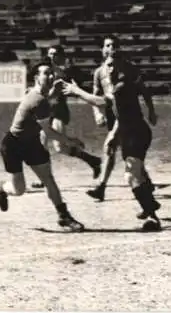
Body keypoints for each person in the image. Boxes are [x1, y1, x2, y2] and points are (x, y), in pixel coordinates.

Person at [62, 54, 161, 232]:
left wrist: (76, 91)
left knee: (131, 175)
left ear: (121, 66)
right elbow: (120, 115)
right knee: (137, 173)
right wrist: (114, 134)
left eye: (114, 66)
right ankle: (150, 203)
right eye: (108, 66)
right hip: (129, 133)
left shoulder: (121, 86)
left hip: (137, 134)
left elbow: (103, 102)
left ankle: (152, 215)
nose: (110, 69)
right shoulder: (116, 84)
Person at [0, 59, 85, 232]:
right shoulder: (38, 99)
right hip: (13, 145)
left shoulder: (40, 94)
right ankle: (2, 188)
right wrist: (71, 140)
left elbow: (44, 100)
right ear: (37, 77)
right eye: (46, 73)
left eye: (51, 72)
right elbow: (49, 132)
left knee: (48, 179)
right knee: (18, 190)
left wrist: (54, 93)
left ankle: (63, 216)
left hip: (31, 142)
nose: (51, 75)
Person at [88, 35, 157, 204]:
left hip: (127, 115)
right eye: (108, 45)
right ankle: (145, 183)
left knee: (110, 148)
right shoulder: (99, 72)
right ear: (102, 49)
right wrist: (98, 114)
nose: (111, 48)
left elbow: (143, 91)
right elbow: (95, 96)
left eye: (114, 45)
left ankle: (101, 187)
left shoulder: (128, 70)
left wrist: (151, 110)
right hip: (112, 115)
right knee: (125, 154)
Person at [31, 45, 101, 189]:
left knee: (59, 147)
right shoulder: (42, 71)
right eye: (49, 54)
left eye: (55, 54)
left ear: (61, 56)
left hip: (58, 111)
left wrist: (73, 89)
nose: (51, 57)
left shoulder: (64, 73)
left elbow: (75, 88)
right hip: (44, 111)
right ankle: (45, 179)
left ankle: (91, 159)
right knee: (41, 144)